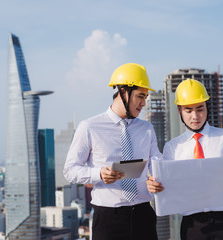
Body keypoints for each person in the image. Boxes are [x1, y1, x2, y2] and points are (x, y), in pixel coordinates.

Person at [147, 78, 223, 240]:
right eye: (188, 110)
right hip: (192, 225)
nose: (195, 116)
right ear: (179, 111)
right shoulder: (173, 147)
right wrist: (155, 186)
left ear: (207, 107)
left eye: (200, 109)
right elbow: (168, 189)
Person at [63, 63, 162, 240]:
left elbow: (157, 162)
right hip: (109, 219)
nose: (144, 103)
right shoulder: (89, 127)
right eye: (140, 96)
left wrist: (157, 178)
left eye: (145, 97)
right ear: (124, 91)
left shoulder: (147, 128)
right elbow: (70, 170)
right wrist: (98, 174)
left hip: (143, 214)